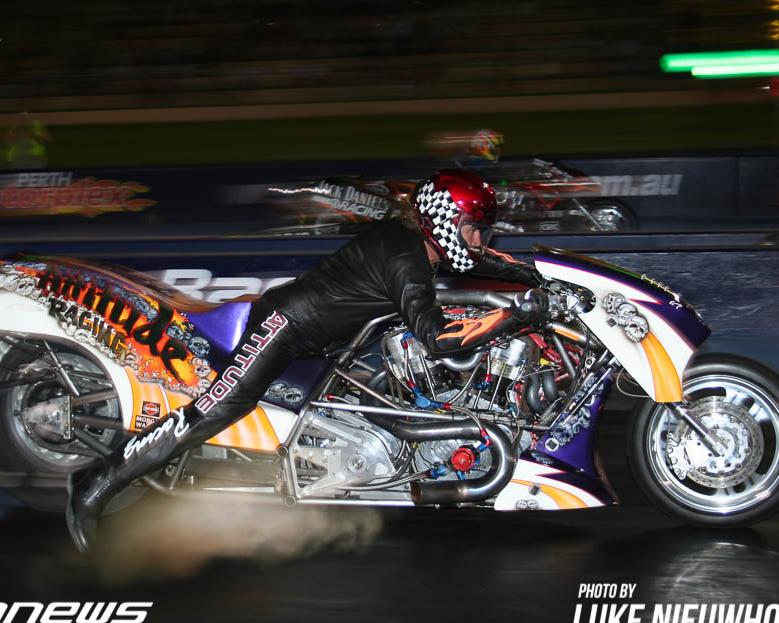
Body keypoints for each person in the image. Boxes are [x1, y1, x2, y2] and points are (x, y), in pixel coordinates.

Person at [66, 169, 549, 552]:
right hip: (285, 327)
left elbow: (482, 260)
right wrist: (514, 315)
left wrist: (539, 276)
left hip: (329, 343)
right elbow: (439, 338)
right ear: (442, 220)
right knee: (219, 409)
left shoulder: (421, 243)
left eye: (480, 231)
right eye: (472, 229)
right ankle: (95, 483)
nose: (477, 239)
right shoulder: (406, 259)